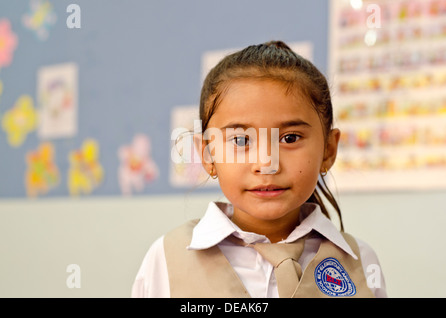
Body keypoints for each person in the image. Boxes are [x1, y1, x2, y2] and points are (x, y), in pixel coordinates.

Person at [131, 41, 387, 298]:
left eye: (290, 138)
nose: (266, 163)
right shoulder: (166, 260)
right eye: (241, 140)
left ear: (328, 150)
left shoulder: (361, 265)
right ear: (208, 154)